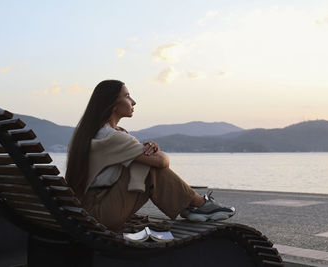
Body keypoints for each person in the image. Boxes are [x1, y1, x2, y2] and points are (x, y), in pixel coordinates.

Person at [65, 80, 235, 232]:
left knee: (140, 164)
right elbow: (162, 162)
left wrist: (147, 152)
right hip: (98, 213)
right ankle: (199, 204)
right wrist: (154, 154)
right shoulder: (110, 136)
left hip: (84, 209)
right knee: (147, 167)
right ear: (113, 104)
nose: (133, 101)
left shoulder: (91, 133)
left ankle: (193, 205)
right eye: (127, 96)